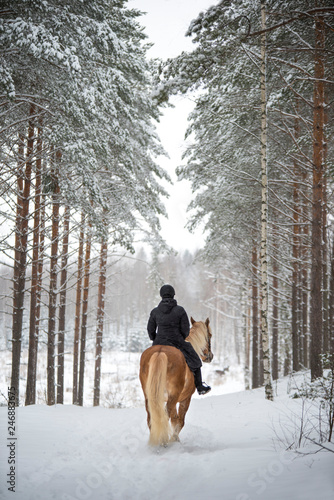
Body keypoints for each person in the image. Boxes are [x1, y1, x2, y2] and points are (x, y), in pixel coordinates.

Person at [147, 284, 211, 395]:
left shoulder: (155, 311)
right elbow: (185, 330)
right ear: (173, 295)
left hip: (158, 342)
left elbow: (150, 329)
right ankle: (200, 387)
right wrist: (181, 337)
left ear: (161, 295)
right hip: (176, 341)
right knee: (196, 361)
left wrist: (154, 338)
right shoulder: (180, 310)